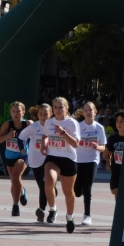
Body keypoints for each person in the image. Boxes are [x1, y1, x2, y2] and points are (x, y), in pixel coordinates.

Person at [41, 97, 80, 233]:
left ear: (67, 108)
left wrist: (63, 133)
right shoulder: (49, 122)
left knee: (68, 192)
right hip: (53, 157)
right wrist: (43, 145)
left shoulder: (72, 123)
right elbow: (45, 136)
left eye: (61, 107)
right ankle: (53, 209)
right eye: (55, 107)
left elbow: (75, 144)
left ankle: (70, 218)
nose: (58, 110)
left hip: (68, 159)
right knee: (49, 181)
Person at [19, 104, 53, 223]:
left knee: (44, 184)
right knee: (42, 186)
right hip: (35, 160)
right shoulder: (34, 127)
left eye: (46, 114)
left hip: (50, 159)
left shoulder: (54, 126)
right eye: (40, 114)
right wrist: (22, 148)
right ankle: (52, 193)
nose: (43, 117)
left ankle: (42, 210)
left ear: (51, 114)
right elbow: (21, 137)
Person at [0, 102, 31, 217]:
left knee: (15, 176)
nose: (16, 114)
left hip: (23, 156)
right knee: (14, 180)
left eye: (18, 111)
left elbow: (38, 136)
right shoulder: (7, 124)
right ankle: (22, 190)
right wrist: (8, 136)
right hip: (9, 156)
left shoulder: (28, 124)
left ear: (23, 112)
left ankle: (15, 205)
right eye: (13, 111)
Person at [74, 102, 106, 225]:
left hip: (92, 160)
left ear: (95, 112)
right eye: (86, 110)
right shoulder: (78, 126)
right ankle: (79, 189)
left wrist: (97, 147)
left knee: (87, 188)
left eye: (90, 110)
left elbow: (103, 147)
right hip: (78, 160)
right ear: (83, 112)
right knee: (77, 191)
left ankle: (87, 215)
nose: (88, 112)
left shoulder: (99, 128)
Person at [104, 110, 124, 201]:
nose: (119, 123)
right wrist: (108, 163)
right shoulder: (112, 138)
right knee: (115, 190)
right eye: (117, 120)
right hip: (116, 168)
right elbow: (108, 152)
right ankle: (119, 211)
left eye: (122, 121)